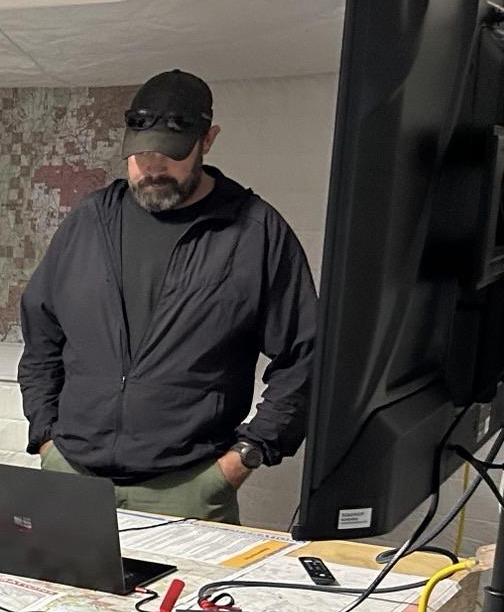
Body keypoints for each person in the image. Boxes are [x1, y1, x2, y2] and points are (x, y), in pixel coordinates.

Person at [18, 69, 317, 522]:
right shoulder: (90, 221)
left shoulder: (253, 232)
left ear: (207, 140)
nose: (153, 167)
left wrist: (250, 452)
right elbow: (42, 333)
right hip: (71, 476)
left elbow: (305, 355)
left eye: (171, 154)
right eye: (140, 155)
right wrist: (45, 434)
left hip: (189, 487)